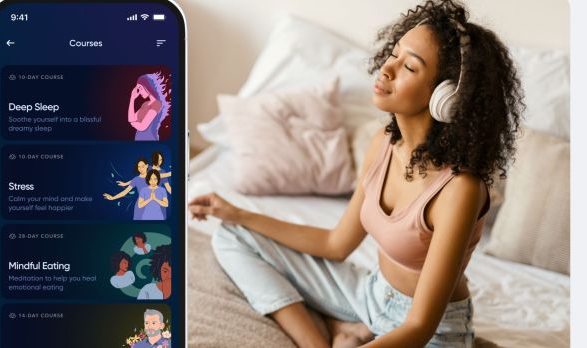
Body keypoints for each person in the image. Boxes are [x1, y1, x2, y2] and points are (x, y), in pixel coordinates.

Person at [188, 1, 524, 347]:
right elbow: (336, 244)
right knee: (232, 236)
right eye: (393, 54)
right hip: (370, 296)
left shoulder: (460, 189)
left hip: (430, 332)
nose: (387, 69)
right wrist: (237, 213)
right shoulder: (382, 143)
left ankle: (347, 332)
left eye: (409, 67)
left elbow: (420, 326)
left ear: (446, 97)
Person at [128, 72, 171, 141]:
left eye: (140, 88)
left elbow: (142, 126)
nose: (139, 92)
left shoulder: (157, 104)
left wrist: (132, 123)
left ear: (147, 87)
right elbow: (131, 118)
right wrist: (132, 98)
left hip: (150, 141)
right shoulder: (145, 104)